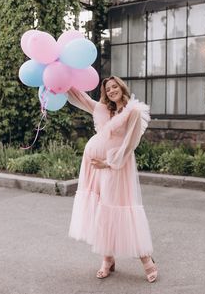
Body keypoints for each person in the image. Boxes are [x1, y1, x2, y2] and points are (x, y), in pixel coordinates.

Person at [67, 76, 158, 282]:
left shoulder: (132, 112)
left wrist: (108, 163)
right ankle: (107, 258)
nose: (111, 91)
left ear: (121, 87)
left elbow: (130, 144)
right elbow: (79, 97)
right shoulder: (101, 109)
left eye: (114, 87)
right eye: (108, 89)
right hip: (93, 168)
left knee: (122, 208)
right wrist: (62, 79)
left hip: (116, 167)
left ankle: (147, 260)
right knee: (103, 210)